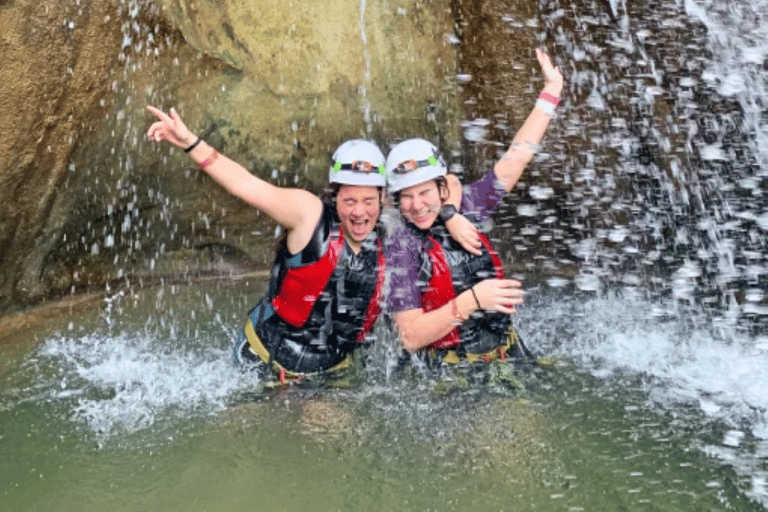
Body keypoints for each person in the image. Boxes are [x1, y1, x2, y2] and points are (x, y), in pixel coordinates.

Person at [146, 106, 477, 384]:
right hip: (267, 364)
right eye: (349, 201)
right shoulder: (309, 216)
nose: (359, 212)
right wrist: (192, 144)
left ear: (383, 197)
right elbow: (246, 185)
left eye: (368, 201)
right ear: (334, 197)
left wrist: (450, 214)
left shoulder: (394, 226)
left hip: (333, 370)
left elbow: (447, 182)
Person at [385, 48, 563, 367]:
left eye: (424, 192)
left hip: (507, 353)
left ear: (441, 189)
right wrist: (473, 300)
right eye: (406, 197)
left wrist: (551, 92)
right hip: (453, 374)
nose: (416, 205)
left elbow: (517, 157)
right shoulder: (403, 248)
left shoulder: (466, 205)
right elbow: (410, 336)